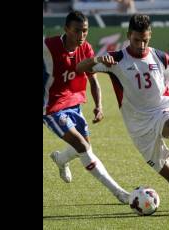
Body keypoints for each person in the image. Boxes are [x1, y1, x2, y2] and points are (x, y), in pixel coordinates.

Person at [76, 14, 169, 206]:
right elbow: (79, 67)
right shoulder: (116, 60)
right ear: (128, 35)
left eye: (145, 40)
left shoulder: (161, 57)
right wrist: (99, 58)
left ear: (150, 35)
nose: (141, 45)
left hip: (161, 111)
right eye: (136, 40)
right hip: (139, 127)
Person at [43, 11, 129, 204]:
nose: (81, 35)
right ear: (66, 29)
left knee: (85, 147)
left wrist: (99, 106)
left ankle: (60, 159)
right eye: (77, 31)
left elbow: (93, 80)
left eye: (85, 31)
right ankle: (120, 193)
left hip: (75, 104)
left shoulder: (87, 48)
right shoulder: (49, 46)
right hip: (52, 107)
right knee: (82, 146)